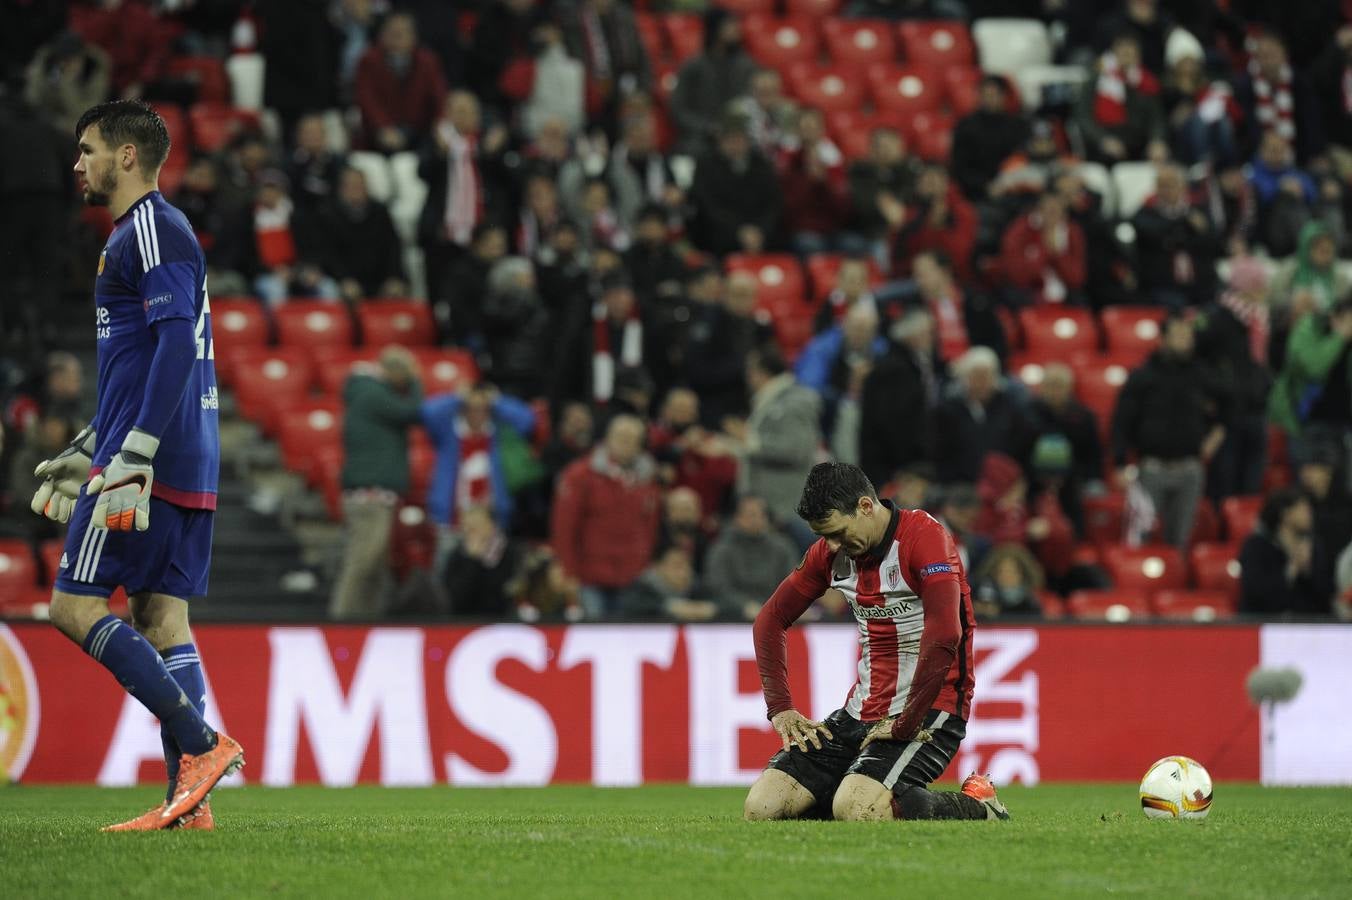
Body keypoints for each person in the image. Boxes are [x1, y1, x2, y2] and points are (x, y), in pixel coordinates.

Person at [34, 101, 243, 831]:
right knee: (161, 618)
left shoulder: (150, 227)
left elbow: (175, 344)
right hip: (182, 449)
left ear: (127, 156)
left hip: (150, 456)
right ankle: (189, 808)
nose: (77, 163)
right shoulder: (146, 235)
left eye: (88, 149)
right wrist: (96, 439)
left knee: (71, 606)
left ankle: (201, 744)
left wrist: (133, 453)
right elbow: (148, 357)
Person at [744, 462, 1007, 823]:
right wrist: (781, 708)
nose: (833, 545)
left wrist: (906, 721)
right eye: (825, 536)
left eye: (837, 532)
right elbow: (769, 621)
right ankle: (863, 794)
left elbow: (946, 633)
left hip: (930, 710)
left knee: (858, 809)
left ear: (866, 507)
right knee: (764, 808)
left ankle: (978, 806)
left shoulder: (925, 538)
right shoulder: (831, 553)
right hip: (859, 712)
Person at [1112, 313, 1229, 549]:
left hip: (1190, 467)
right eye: (1179, 334)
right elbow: (1122, 421)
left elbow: (1229, 404)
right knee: (1141, 534)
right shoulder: (1143, 376)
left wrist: (1217, 434)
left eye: (1188, 335)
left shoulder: (1201, 374)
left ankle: (1174, 580)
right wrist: (1119, 462)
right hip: (1152, 467)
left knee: (1180, 539)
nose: (1185, 340)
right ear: (1163, 339)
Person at [328, 346, 423, 621]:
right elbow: (412, 412)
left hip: (372, 496)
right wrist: (416, 382)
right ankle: (341, 622)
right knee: (362, 563)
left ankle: (366, 622)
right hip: (370, 496)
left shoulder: (365, 391)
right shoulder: (373, 393)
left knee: (375, 567)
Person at [551, 414, 662, 618]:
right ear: (608, 439)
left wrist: (644, 563)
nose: (626, 444)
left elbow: (650, 525)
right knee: (594, 639)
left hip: (631, 575)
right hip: (589, 574)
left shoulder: (648, 479)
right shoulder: (580, 475)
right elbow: (565, 526)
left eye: (632, 440)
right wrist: (567, 570)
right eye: (621, 438)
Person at [727, 344, 822, 547]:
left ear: (761, 372)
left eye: (751, 370)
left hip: (784, 508)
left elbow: (797, 450)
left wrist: (751, 442)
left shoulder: (795, 402)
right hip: (767, 509)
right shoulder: (769, 401)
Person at [1239, 488, 1334, 617]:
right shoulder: (1256, 547)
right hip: (1264, 622)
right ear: (1286, 514)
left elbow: (1326, 594)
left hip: (1308, 625)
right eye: (1303, 510)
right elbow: (1255, 592)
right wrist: (1291, 569)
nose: (1310, 515)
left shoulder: (1313, 546)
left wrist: (1308, 570)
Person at [705, 494, 799, 620]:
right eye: (750, 515)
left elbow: (792, 583)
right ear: (737, 518)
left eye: (760, 514)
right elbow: (719, 587)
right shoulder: (722, 549)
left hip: (776, 613)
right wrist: (744, 605)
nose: (756, 519)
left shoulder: (782, 548)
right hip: (733, 616)